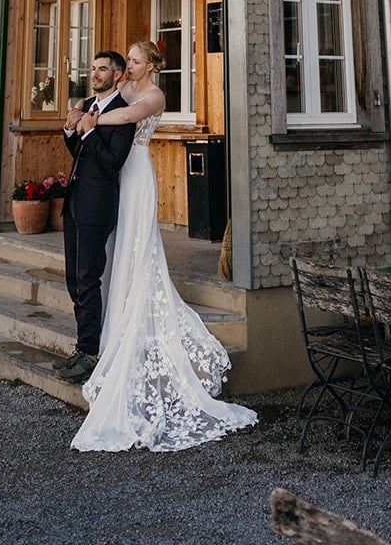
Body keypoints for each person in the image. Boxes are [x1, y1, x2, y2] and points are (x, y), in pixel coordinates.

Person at [68, 38, 257, 452]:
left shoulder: (152, 95)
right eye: (128, 62)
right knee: (118, 250)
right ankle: (112, 319)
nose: (129, 67)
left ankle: (134, 312)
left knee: (139, 247)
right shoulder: (127, 87)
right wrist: (85, 110)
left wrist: (92, 120)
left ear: (151, 64)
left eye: (135, 61)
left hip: (137, 174)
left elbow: (129, 116)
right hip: (115, 178)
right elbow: (108, 99)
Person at [54, 50, 134, 386]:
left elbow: (113, 161)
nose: (96, 73)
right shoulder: (88, 105)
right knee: (73, 279)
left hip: (97, 207)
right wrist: (71, 131)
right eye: (93, 68)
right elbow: (81, 154)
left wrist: (88, 132)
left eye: (103, 69)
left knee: (87, 279)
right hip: (74, 202)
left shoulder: (122, 112)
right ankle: (82, 346)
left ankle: (89, 354)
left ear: (117, 75)